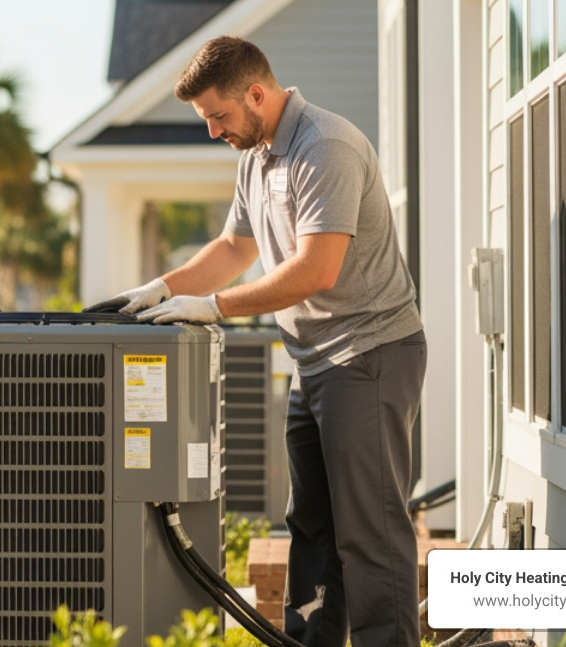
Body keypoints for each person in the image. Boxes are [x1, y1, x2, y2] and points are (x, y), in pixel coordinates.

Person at [97, 35, 426, 647]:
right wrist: (161, 289)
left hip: (369, 353)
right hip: (315, 360)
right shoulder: (258, 155)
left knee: (371, 533)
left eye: (218, 116)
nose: (214, 132)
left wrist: (212, 306)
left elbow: (315, 271)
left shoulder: (324, 147)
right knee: (312, 525)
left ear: (256, 93)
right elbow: (233, 249)